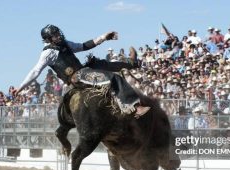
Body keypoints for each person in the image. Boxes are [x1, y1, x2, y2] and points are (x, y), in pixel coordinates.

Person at [15, 24, 150, 118]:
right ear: (49, 39)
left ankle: (132, 63)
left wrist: (104, 37)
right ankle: (133, 107)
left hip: (83, 70)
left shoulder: (64, 44)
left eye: (57, 33)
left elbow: (83, 46)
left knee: (100, 63)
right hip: (77, 77)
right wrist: (21, 88)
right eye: (55, 35)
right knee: (114, 77)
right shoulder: (48, 53)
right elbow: (35, 71)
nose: (58, 36)